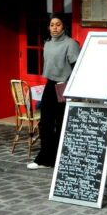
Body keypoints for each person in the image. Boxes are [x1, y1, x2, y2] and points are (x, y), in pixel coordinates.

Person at [27, 13, 80, 170]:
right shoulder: (48, 43)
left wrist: (67, 83)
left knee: (61, 122)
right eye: (52, 25)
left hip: (64, 85)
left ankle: (59, 158)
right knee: (46, 122)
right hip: (50, 84)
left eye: (58, 24)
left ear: (64, 26)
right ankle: (44, 158)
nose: (55, 28)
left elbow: (76, 67)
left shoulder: (71, 44)